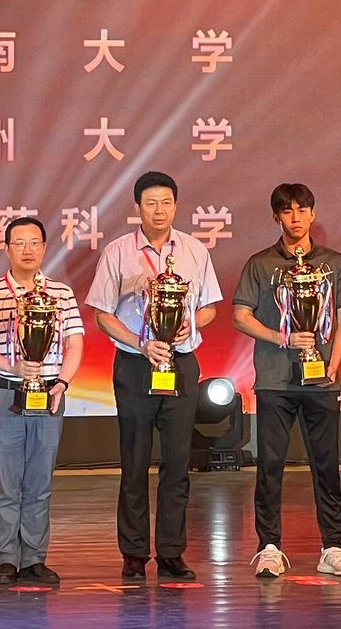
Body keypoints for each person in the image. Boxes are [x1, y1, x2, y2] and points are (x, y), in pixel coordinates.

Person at [86, 172, 221, 581]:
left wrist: (191, 323)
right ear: (137, 208)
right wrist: (141, 342)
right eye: (150, 203)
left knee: (178, 461)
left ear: (175, 206)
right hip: (135, 364)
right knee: (134, 460)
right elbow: (102, 313)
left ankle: (171, 552)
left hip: (181, 363)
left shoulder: (195, 250)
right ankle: (133, 552)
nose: (159, 210)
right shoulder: (117, 252)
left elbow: (211, 306)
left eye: (166, 202)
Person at [232, 183, 341, 579]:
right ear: (276, 217)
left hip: (322, 381)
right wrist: (280, 337)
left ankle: (333, 546)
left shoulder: (333, 263)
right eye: (287, 211)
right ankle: (269, 547)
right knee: (270, 465)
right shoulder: (261, 264)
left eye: (302, 210)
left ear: (313, 214)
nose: (296, 218)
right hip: (275, 380)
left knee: (327, 465)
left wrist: (334, 361)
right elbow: (240, 315)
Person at [0, 216, 84, 588]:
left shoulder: (61, 293)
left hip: (49, 396)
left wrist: (62, 382)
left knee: (39, 482)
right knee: (6, 484)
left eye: (34, 242)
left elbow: (75, 342)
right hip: (5, 393)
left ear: (44, 247)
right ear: (6, 248)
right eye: (19, 243)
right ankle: (6, 558)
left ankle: (35, 558)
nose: (27, 250)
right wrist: (12, 367)